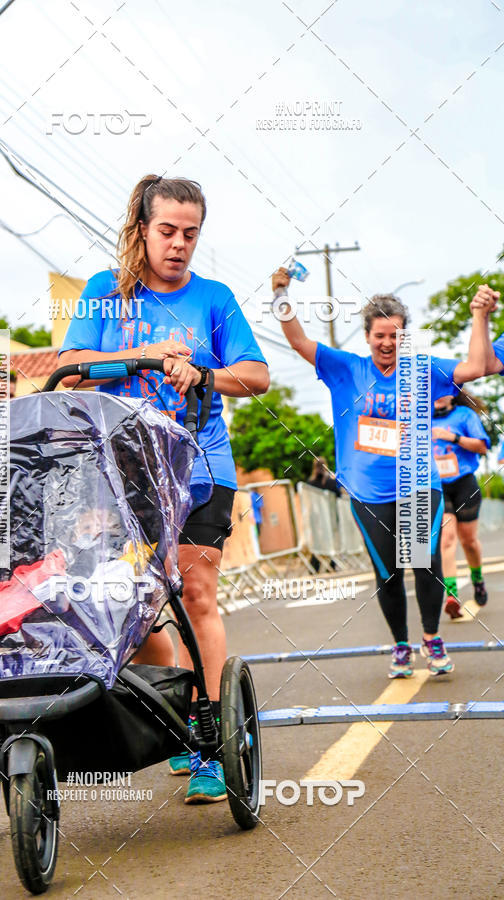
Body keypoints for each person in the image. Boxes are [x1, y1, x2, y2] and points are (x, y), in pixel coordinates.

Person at [59, 175, 269, 803]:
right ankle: (177, 709)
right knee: (138, 604)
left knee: (196, 594)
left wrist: (204, 370)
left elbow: (256, 375)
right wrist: (148, 354)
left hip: (200, 466)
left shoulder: (215, 298)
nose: (179, 244)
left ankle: (207, 741)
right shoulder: (106, 292)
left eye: (191, 233)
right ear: (141, 230)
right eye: (168, 231)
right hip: (123, 473)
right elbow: (70, 366)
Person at [272, 267, 491, 678]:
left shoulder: (423, 370)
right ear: (368, 335)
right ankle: (402, 646)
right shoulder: (346, 369)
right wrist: (282, 294)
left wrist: (481, 316)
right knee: (388, 572)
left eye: (396, 335)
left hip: (419, 483)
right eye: (380, 335)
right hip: (367, 491)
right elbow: (298, 340)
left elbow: (477, 366)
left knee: (425, 563)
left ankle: (431, 638)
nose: (388, 342)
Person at [432, 391, 490, 618]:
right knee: (447, 538)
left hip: (464, 483)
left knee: (469, 542)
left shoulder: (464, 415)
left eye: (441, 391)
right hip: (437, 486)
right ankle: (451, 595)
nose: (435, 395)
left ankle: (477, 579)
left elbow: (482, 447)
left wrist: (453, 438)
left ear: (452, 395)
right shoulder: (421, 418)